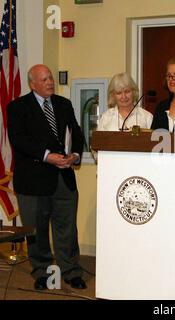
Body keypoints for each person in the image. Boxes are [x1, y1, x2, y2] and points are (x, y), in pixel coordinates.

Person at [7, 64, 86, 290]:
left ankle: (71, 271)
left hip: (64, 178)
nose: (50, 82)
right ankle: (42, 272)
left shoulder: (64, 104)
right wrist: (47, 156)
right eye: (44, 80)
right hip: (33, 181)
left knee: (67, 228)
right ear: (32, 84)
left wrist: (75, 156)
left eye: (50, 78)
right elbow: (19, 140)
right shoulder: (17, 107)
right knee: (37, 229)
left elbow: (77, 134)